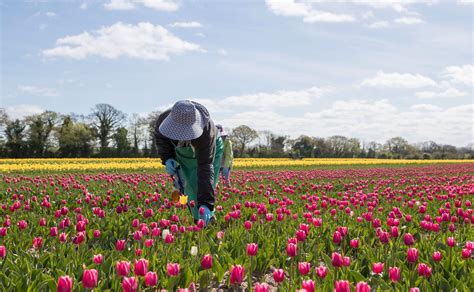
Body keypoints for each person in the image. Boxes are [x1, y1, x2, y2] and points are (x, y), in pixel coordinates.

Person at [154, 100, 223, 225]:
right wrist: (168, 158)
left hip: (210, 152)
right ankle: (199, 220)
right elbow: (161, 139)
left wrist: (206, 203)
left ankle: (207, 218)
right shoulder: (163, 120)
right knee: (190, 186)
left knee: (205, 183)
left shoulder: (206, 131)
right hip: (183, 151)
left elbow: (205, 166)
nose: (182, 135)